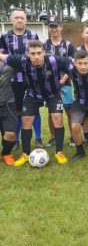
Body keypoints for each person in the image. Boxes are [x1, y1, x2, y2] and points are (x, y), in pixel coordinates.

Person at [0, 40, 70, 166]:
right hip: (33, 94)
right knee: (26, 120)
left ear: (44, 52)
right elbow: (2, 56)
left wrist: (63, 80)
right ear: (28, 53)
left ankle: (59, 152)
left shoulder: (55, 60)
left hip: (53, 94)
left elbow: (75, 64)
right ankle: (25, 154)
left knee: (57, 118)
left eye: (39, 53)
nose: (36, 57)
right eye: (33, 53)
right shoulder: (21, 60)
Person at [0, 8, 43, 149]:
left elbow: (38, 56)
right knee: (16, 110)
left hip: (31, 79)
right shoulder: (5, 37)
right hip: (12, 81)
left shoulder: (33, 35)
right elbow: (2, 58)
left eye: (22, 18)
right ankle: (16, 140)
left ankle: (38, 139)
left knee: (34, 109)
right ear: (11, 20)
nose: (19, 20)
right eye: (16, 17)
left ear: (26, 20)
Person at [43, 16, 75, 148]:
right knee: (51, 112)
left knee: (69, 111)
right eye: (51, 26)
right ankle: (53, 138)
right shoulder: (44, 45)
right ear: (48, 28)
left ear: (61, 27)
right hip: (49, 86)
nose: (54, 29)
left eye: (56, 26)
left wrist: (62, 80)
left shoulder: (68, 46)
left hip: (65, 83)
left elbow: (72, 66)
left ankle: (73, 137)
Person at [0, 61, 18, 165]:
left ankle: (5, 154)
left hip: (7, 105)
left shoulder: (7, 67)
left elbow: (22, 62)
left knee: (10, 134)